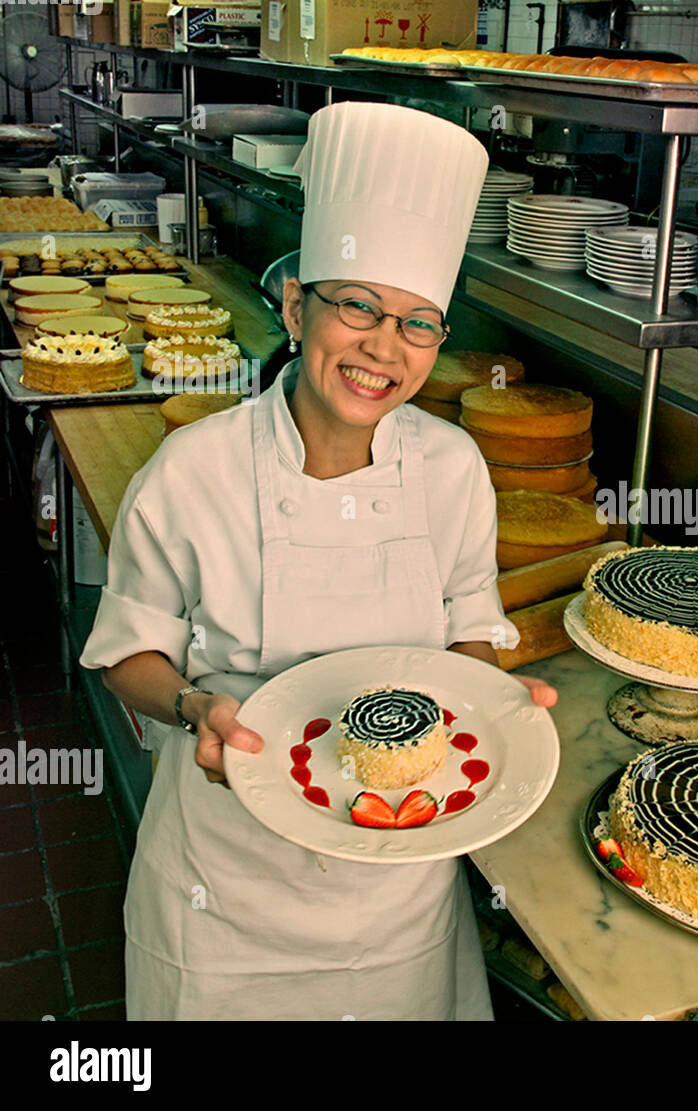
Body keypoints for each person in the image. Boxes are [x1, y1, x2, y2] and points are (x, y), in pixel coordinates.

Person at [79, 103, 555, 1020]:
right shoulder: (192, 469)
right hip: (224, 891)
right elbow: (124, 648)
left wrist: (494, 702)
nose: (384, 347)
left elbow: (471, 623)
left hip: (400, 884)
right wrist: (190, 705)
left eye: (419, 324)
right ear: (297, 305)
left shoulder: (454, 468)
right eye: (359, 306)